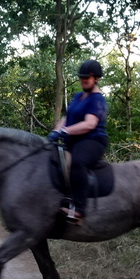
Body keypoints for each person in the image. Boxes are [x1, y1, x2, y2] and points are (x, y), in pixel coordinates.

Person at [48, 59, 108, 224]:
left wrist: (64, 131)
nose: (83, 81)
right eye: (81, 78)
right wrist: (55, 131)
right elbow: (67, 118)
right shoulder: (78, 97)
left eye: (86, 79)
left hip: (93, 141)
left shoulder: (97, 100)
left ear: (96, 79)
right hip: (74, 140)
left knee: (77, 162)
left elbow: (89, 124)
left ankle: (80, 210)